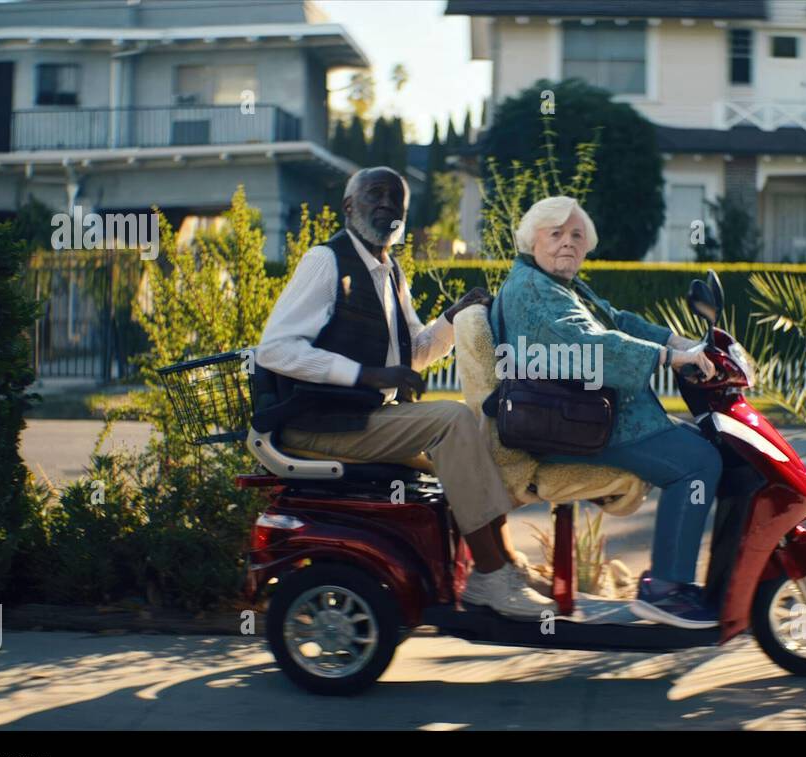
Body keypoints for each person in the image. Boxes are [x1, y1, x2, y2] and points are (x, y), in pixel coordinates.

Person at [256, 167, 553, 620]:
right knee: (452, 422)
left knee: (476, 426)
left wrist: (452, 319)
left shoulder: (389, 270)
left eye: (398, 201)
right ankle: (490, 578)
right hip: (319, 423)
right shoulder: (326, 261)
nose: (388, 206)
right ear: (349, 206)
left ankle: (505, 566)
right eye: (376, 195)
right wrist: (365, 375)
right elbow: (275, 349)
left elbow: (412, 353)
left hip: (362, 418)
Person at [491, 196, 724, 629]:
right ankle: (668, 590)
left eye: (576, 235)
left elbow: (616, 320)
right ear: (532, 239)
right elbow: (587, 347)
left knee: (706, 443)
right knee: (699, 462)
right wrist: (666, 358)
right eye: (555, 233)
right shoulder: (532, 291)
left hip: (588, 417)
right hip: (569, 428)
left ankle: (676, 578)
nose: (567, 243)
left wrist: (679, 343)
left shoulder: (560, 285)